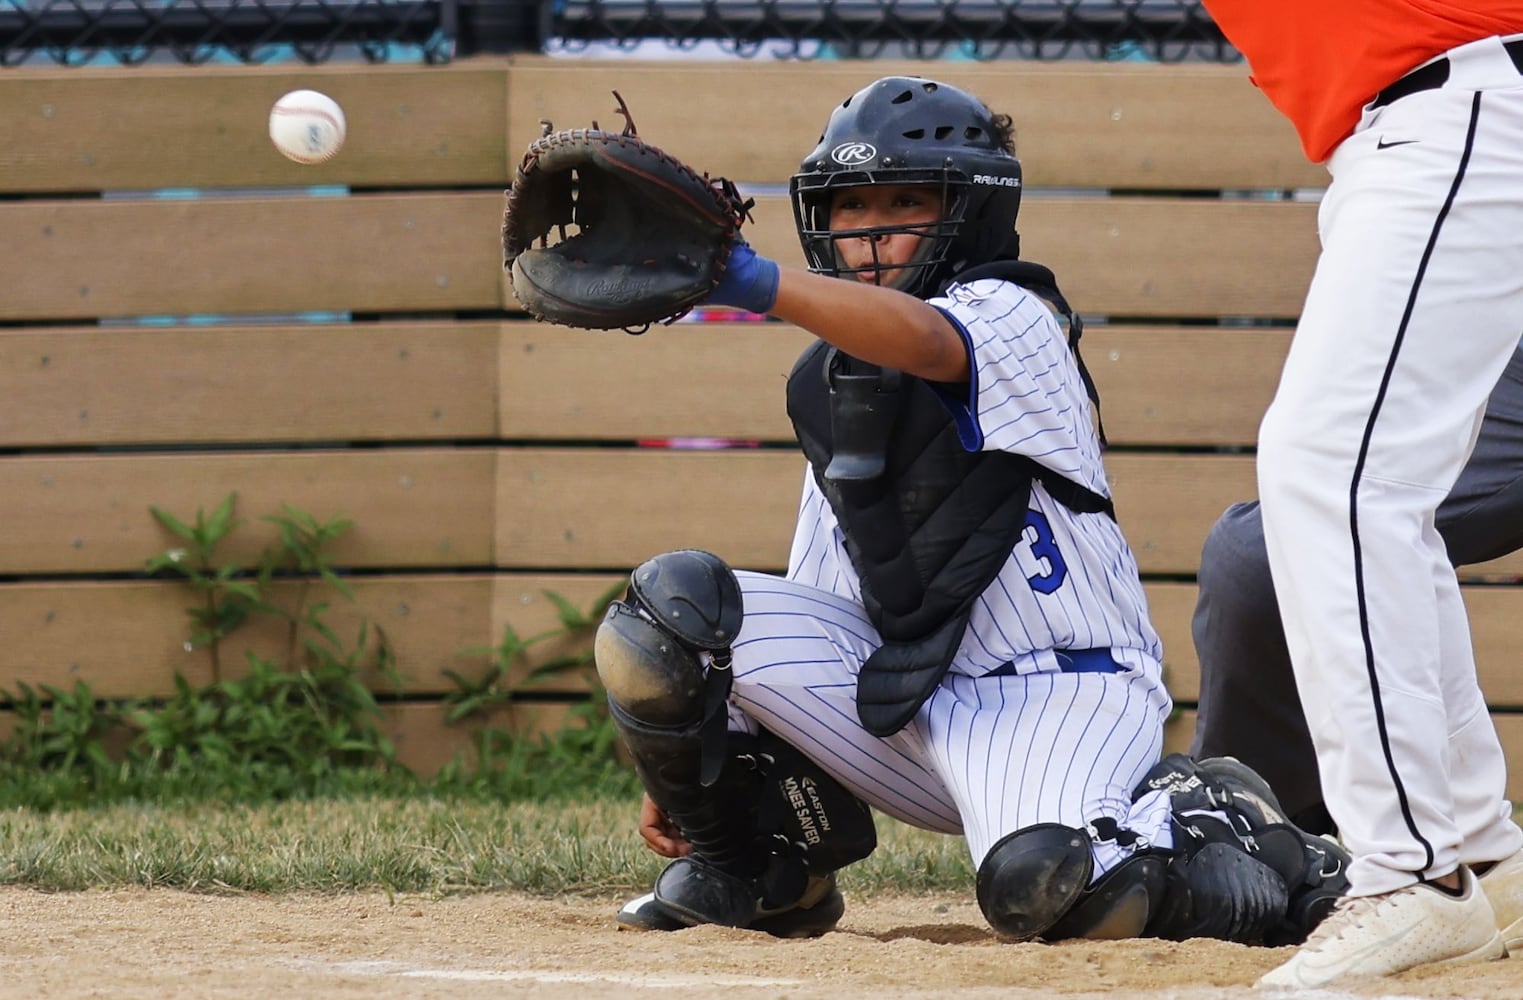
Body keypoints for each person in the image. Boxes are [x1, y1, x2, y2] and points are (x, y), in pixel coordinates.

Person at [589, 75, 1347, 947]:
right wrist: (698, 760)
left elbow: (925, 341)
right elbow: (823, 598)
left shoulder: (1015, 313)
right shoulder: (830, 377)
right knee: (668, 614)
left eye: (905, 200)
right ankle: (758, 871)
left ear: (971, 209)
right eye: (848, 205)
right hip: (904, 701)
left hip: (1059, 697)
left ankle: (1230, 828)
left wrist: (751, 282)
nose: (869, 230)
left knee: (1054, 893)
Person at [1196, 2, 1523, 987]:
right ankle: (1476, 853)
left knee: (1332, 477)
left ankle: (1407, 872)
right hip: (1413, 128)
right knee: (1368, 492)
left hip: (1455, 104)